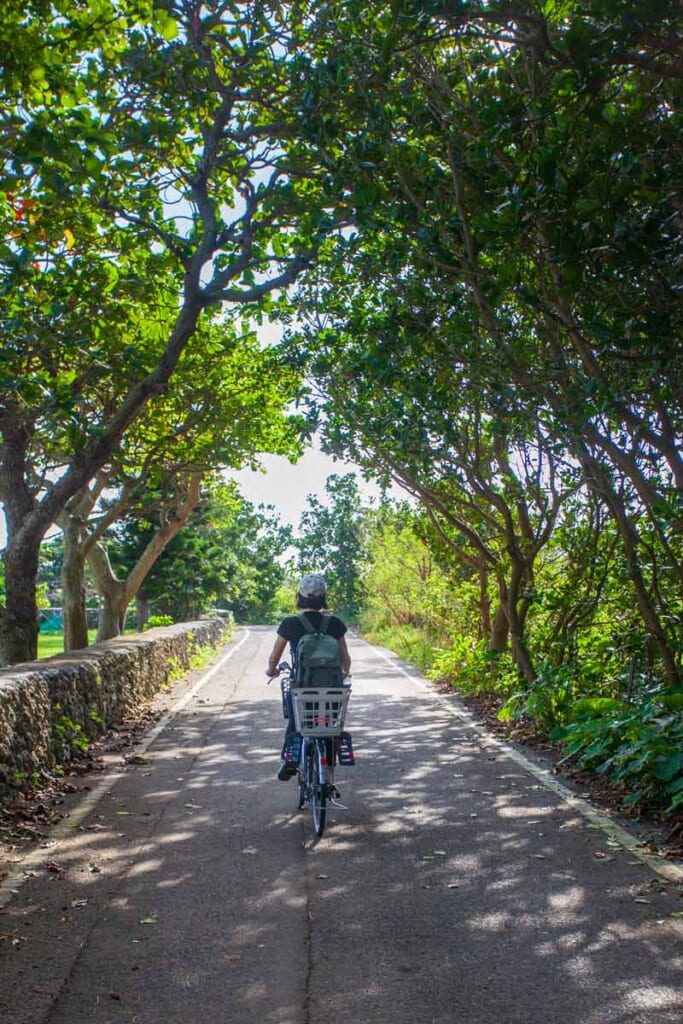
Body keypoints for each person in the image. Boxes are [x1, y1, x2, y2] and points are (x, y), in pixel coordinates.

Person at [266, 573, 351, 781]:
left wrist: (272, 670)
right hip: (332, 689)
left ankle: (289, 759)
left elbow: (274, 658)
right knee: (330, 726)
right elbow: (346, 661)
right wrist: (342, 674)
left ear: (300, 596)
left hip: (302, 688)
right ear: (324, 597)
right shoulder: (335, 624)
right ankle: (328, 773)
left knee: (296, 723)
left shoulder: (290, 624)